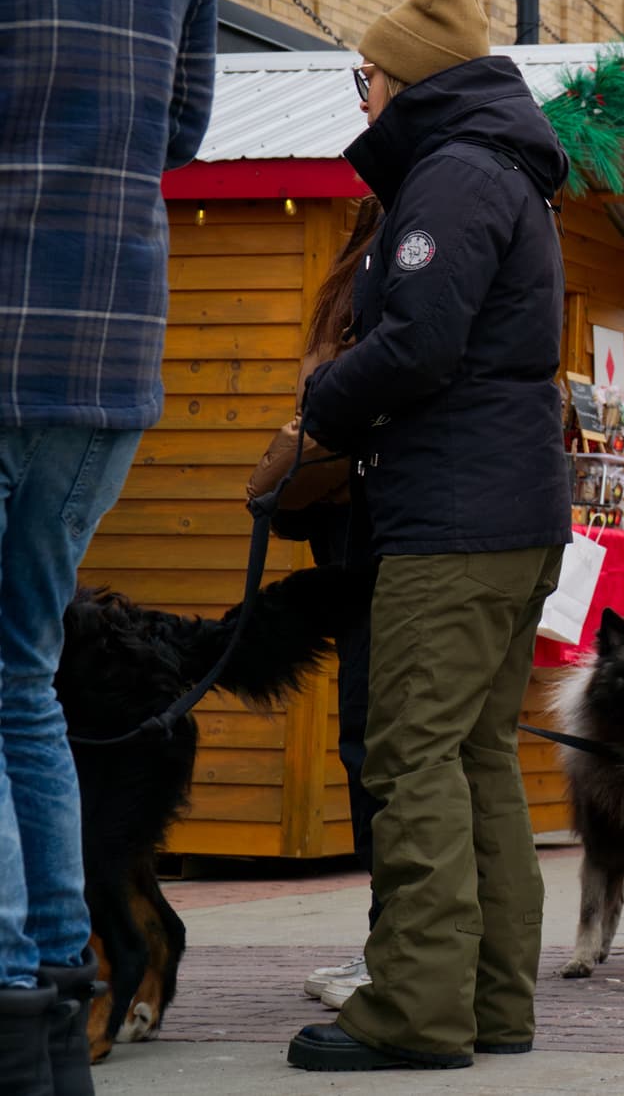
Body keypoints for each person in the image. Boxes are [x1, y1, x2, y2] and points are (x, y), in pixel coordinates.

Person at [286, 0, 572, 1071]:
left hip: (451, 519)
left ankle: (414, 1007)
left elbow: (417, 344)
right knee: (476, 755)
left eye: (364, 74)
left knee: (410, 756)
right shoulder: (500, 170)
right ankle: (493, 1000)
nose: (359, 94)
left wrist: (322, 398)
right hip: (510, 511)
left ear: (403, 78)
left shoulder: (450, 175)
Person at [0, 0, 217, 1091]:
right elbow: (181, 129)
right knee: (22, 673)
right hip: (105, 346)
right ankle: (50, 990)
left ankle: (18, 988)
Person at [248, 199, 386, 1008]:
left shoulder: (402, 233)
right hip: (350, 522)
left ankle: (397, 947)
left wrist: (327, 394)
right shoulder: (368, 246)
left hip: (379, 526)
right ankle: (389, 938)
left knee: (381, 746)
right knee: (369, 741)